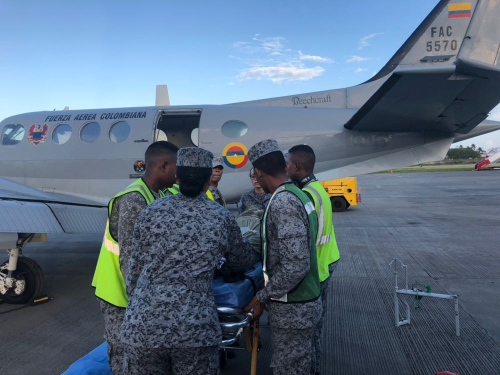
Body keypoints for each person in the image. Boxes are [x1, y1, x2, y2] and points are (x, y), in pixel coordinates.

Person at [120, 147, 259, 375]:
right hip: (194, 329)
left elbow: (133, 271)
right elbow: (241, 259)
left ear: (177, 177)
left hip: (143, 326)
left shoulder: (150, 213)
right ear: (208, 180)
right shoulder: (221, 217)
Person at [91, 141, 179, 374]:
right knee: (125, 357)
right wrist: (145, 309)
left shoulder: (160, 194)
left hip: (139, 296)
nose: (178, 175)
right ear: (163, 165)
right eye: (176, 168)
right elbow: (130, 263)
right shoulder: (133, 200)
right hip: (119, 295)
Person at [245, 139, 322, 375]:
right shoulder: (298, 193)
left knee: (288, 369)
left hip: (294, 309)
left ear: (258, 172)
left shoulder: (283, 202)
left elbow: (296, 264)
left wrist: (262, 296)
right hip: (301, 305)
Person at [286, 144, 341, 375]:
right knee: (316, 328)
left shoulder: (305, 196)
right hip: (327, 262)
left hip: (315, 270)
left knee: (307, 334)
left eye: (287, 164)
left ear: (297, 166)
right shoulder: (318, 188)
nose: (285, 168)